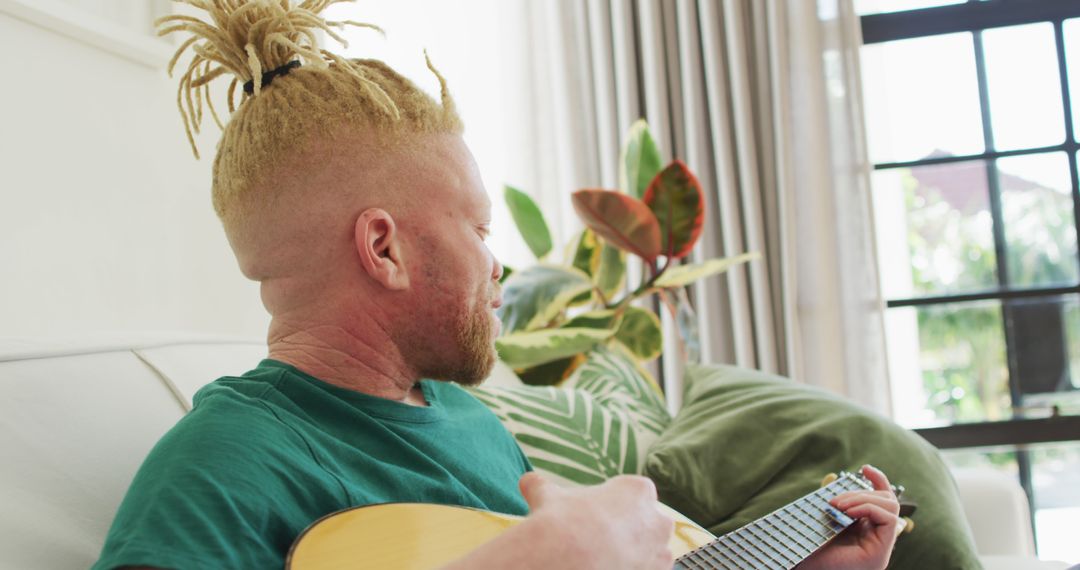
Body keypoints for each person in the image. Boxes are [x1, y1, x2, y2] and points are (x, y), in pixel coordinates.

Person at [94, 1, 901, 568]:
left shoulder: (473, 424)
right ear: (385, 248)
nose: (498, 263)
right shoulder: (229, 460)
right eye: (479, 228)